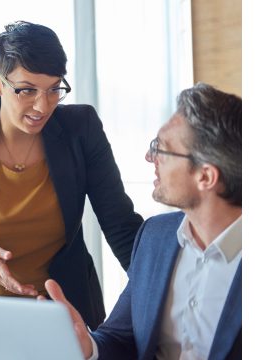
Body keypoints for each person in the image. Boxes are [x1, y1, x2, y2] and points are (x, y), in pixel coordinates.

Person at [0, 20, 143, 332]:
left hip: (61, 311)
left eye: (55, 89)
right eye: (27, 90)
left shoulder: (81, 129)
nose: (43, 106)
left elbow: (121, 227)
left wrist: (163, 294)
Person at [44, 83, 242, 359]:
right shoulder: (154, 237)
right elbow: (120, 337)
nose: (150, 157)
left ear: (206, 176)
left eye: (162, 148)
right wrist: (89, 345)